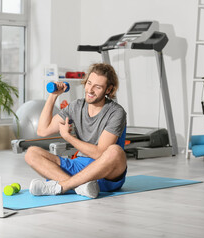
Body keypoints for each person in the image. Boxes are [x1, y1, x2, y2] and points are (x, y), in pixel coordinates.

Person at [24, 63, 127, 199]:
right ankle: (80, 188)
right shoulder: (76, 106)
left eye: (98, 87)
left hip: (105, 174)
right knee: (31, 153)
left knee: (115, 151)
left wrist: (68, 137)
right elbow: (43, 130)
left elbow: (100, 153)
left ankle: (63, 187)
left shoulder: (116, 112)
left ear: (109, 90)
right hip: (78, 165)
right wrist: (53, 96)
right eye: (89, 83)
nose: (90, 90)